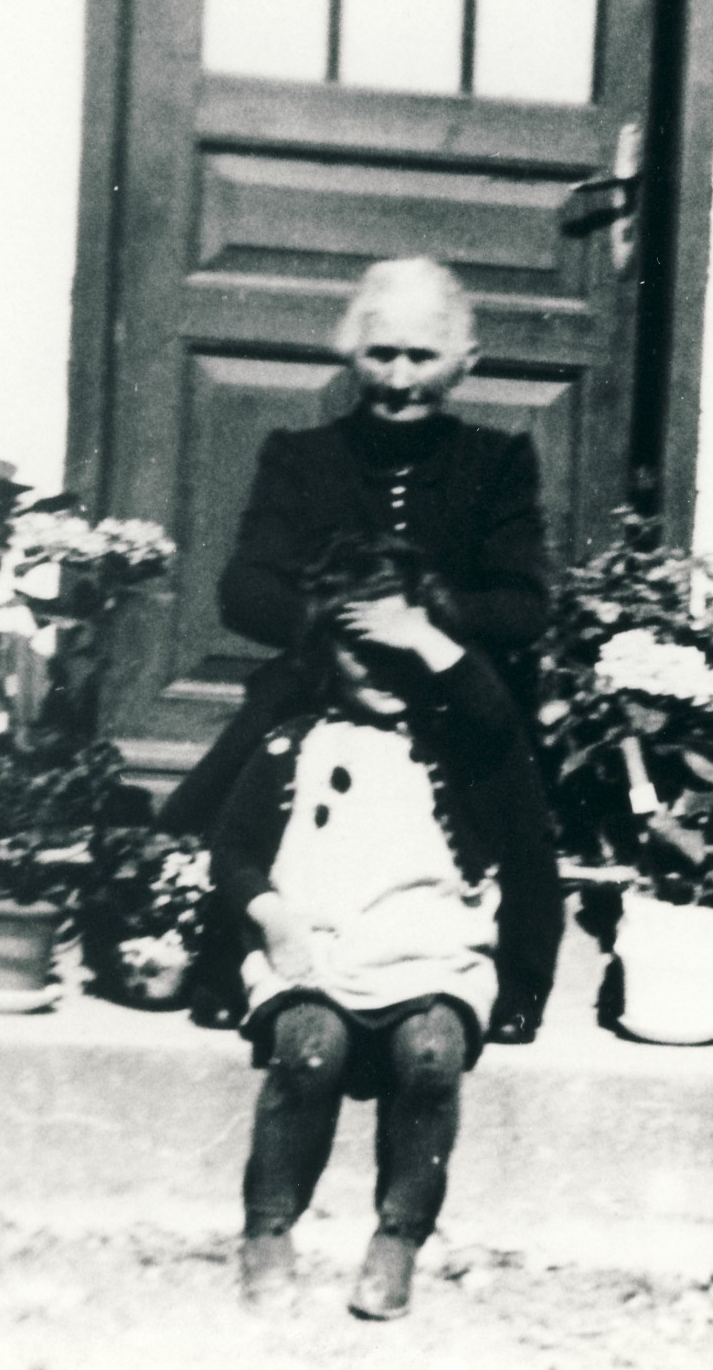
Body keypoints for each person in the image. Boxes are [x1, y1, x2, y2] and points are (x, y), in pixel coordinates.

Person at [163, 256, 558, 1041]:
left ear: (464, 363)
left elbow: (523, 606)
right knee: (245, 772)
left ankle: (518, 983)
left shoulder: (497, 461)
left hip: (449, 682)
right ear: (350, 354)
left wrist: (422, 622)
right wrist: (339, 625)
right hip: (328, 681)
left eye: (421, 356)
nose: (399, 378)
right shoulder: (300, 455)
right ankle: (220, 962)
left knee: (510, 794)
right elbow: (245, 590)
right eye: (381, 354)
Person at [210, 535, 561, 1321]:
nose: (382, 667)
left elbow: (493, 717)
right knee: (309, 1050)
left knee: (430, 1057)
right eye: (360, 648)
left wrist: (423, 636)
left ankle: (399, 1234)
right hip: (317, 946)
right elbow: (232, 851)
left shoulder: (456, 744)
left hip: (430, 948)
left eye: (399, 649)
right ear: (323, 652)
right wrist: (271, 916)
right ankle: (267, 1227)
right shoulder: (293, 742)